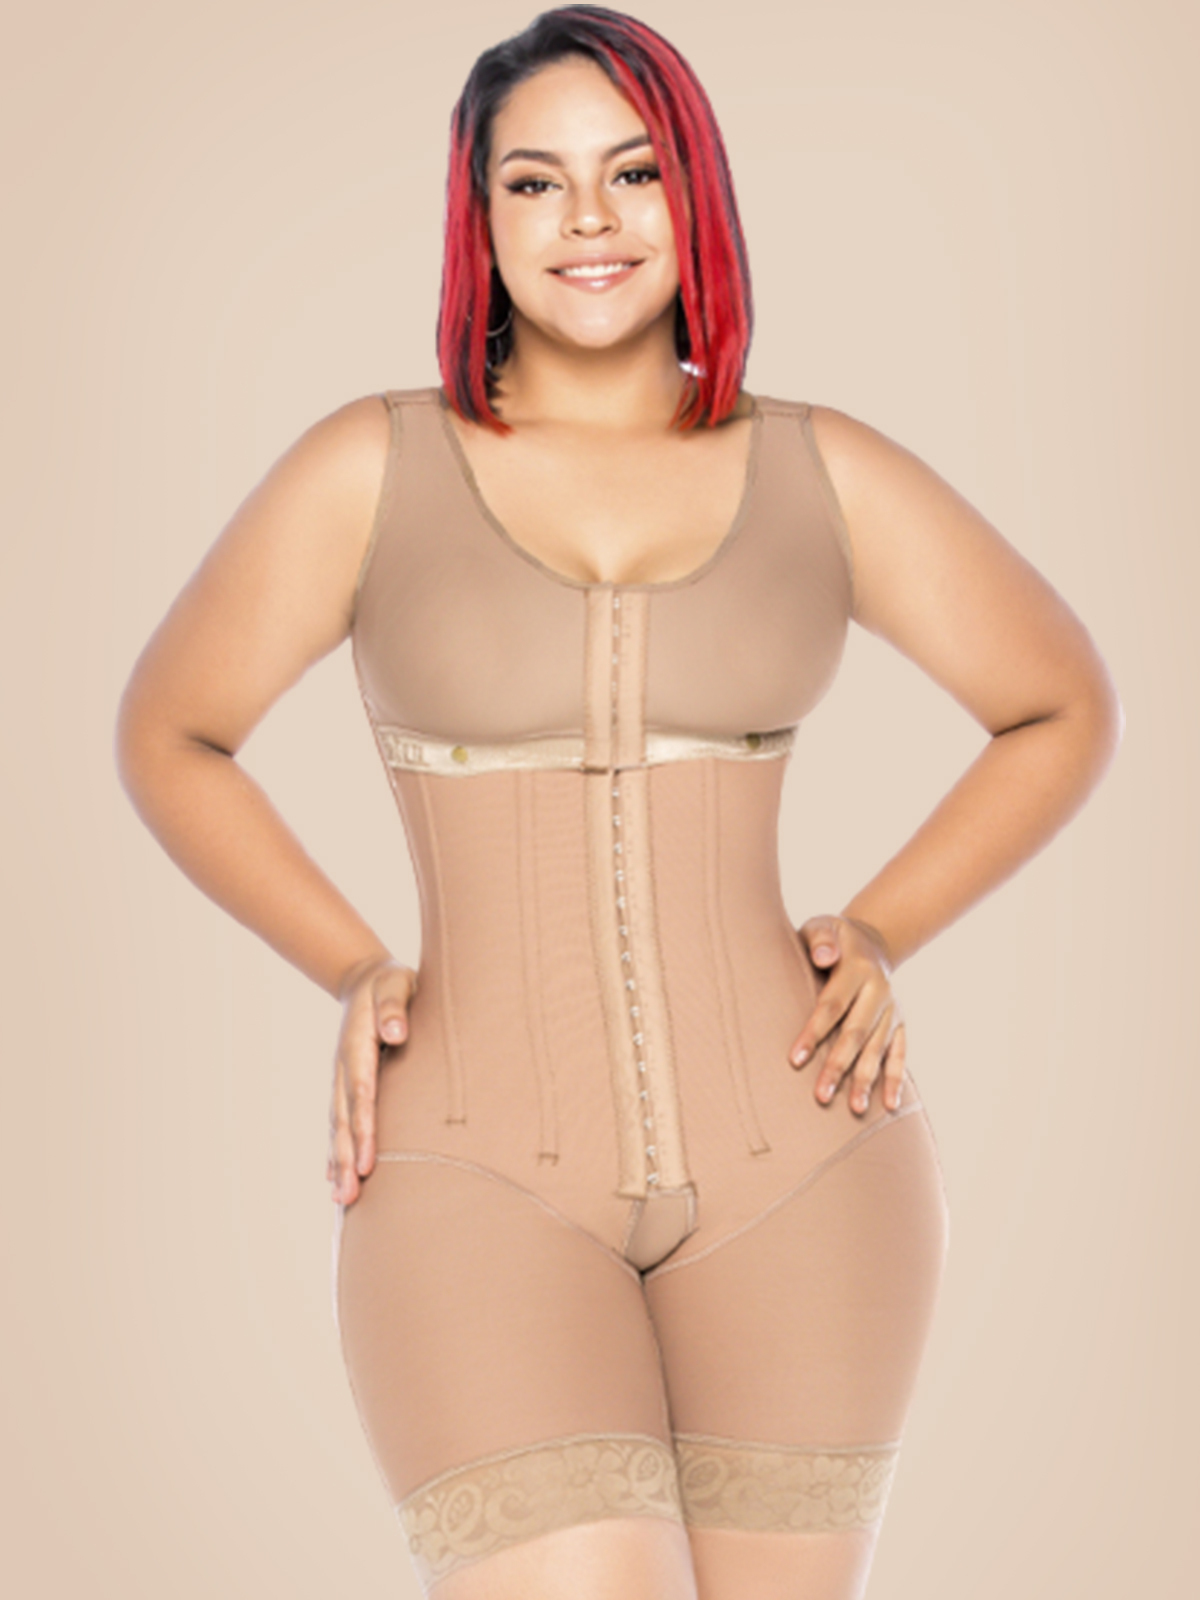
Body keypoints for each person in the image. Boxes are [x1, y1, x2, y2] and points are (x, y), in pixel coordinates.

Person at [114, 6, 1122, 1598]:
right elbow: (173, 732)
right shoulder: (367, 465)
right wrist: (351, 963)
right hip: (468, 1178)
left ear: (694, 192)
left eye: (633, 171)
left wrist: (882, 927)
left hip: (813, 1173)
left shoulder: (823, 469)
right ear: (481, 217)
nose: (588, 219)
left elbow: (1060, 703)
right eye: (535, 181)